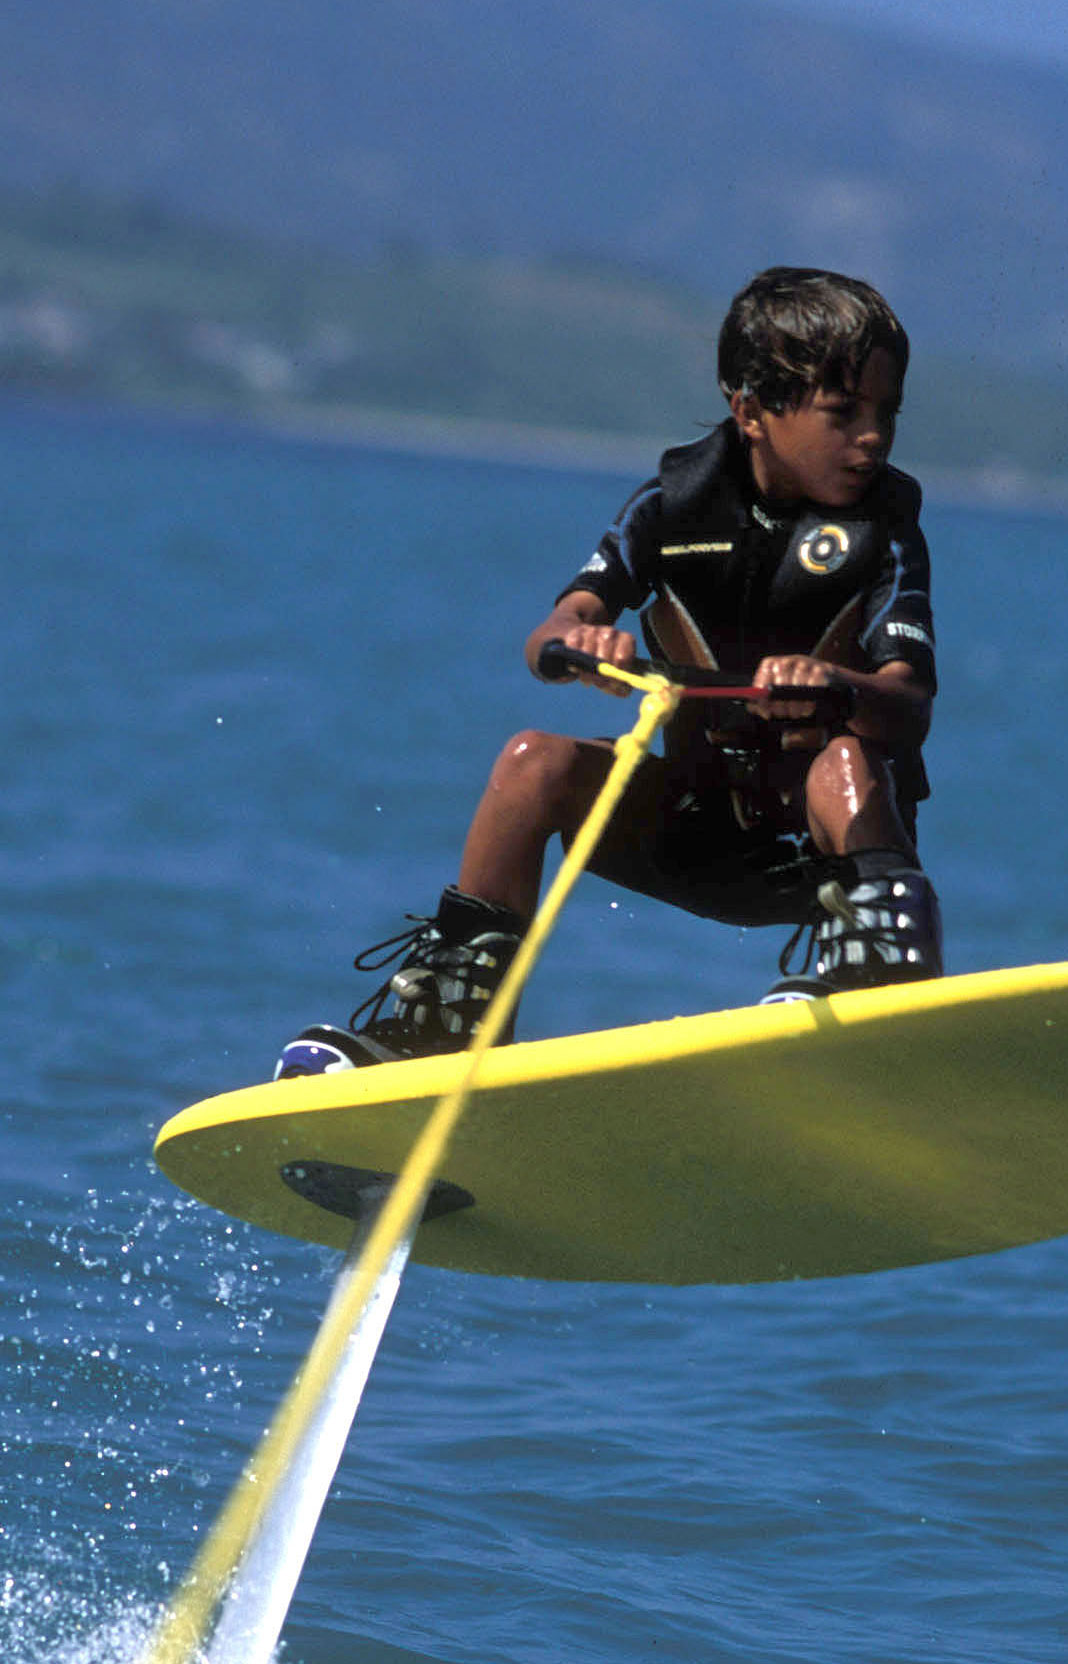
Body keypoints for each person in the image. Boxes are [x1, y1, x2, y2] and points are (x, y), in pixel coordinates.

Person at [276, 265, 943, 1078]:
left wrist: (840, 688)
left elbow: (908, 703)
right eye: (844, 413)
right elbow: (553, 633)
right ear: (751, 412)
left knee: (844, 763)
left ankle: (882, 984)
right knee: (531, 762)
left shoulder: (889, 535)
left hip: (819, 859)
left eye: (887, 412)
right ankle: (449, 1032)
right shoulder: (668, 509)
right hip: (692, 829)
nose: (873, 436)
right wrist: (583, 644)